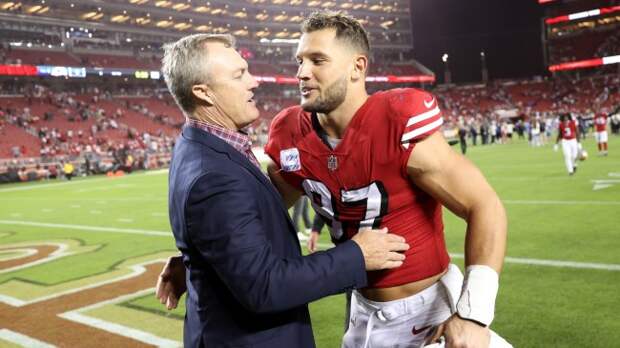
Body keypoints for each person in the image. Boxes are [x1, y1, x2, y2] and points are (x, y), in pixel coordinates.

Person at [159, 13, 510, 348]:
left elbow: (484, 205)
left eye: (318, 60)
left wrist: (475, 314)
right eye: (300, 61)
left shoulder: (397, 120)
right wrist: (200, 260)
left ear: (358, 67)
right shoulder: (291, 133)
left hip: (429, 312)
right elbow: (256, 214)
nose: (302, 72)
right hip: (361, 314)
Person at [160, 33, 409, 348]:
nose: (254, 83)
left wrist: (198, 261)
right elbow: (264, 286)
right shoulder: (214, 175)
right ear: (203, 92)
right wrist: (356, 256)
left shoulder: (197, 144)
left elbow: (241, 219)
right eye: (239, 75)